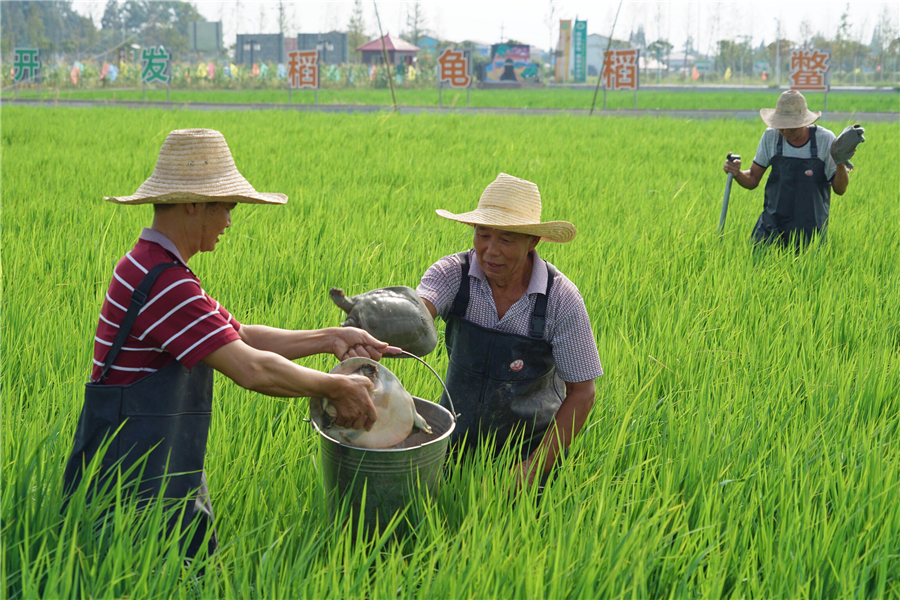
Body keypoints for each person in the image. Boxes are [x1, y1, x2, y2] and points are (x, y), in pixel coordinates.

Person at [63, 129, 395, 558]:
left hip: (156, 461)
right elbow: (250, 369)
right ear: (193, 205)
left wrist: (332, 337)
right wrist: (335, 386)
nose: (229, 222)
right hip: (134, 481)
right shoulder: (165, 283)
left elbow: (240, 337)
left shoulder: (157, 267)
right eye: (228, 208)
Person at [416, 173, 603, 490]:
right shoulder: (452, 275)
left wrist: (531, 469)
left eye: (506, 239)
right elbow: (416, 315)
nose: (490, 250)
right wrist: (380, 331)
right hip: (454, 442)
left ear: (533, 241)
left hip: (532, 449)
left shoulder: (560, 299)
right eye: (483, 234)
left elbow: (583, 393)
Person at [723, 90, 853, 247]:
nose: (785, 132)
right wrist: (736, 173)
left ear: (805, 122)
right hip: (771, 228)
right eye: (781, 127)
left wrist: (840, 162)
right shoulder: (771, 136)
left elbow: (840, 189)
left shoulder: (824, 139)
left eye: (791, 127)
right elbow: (752, 179)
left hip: (810, 233)